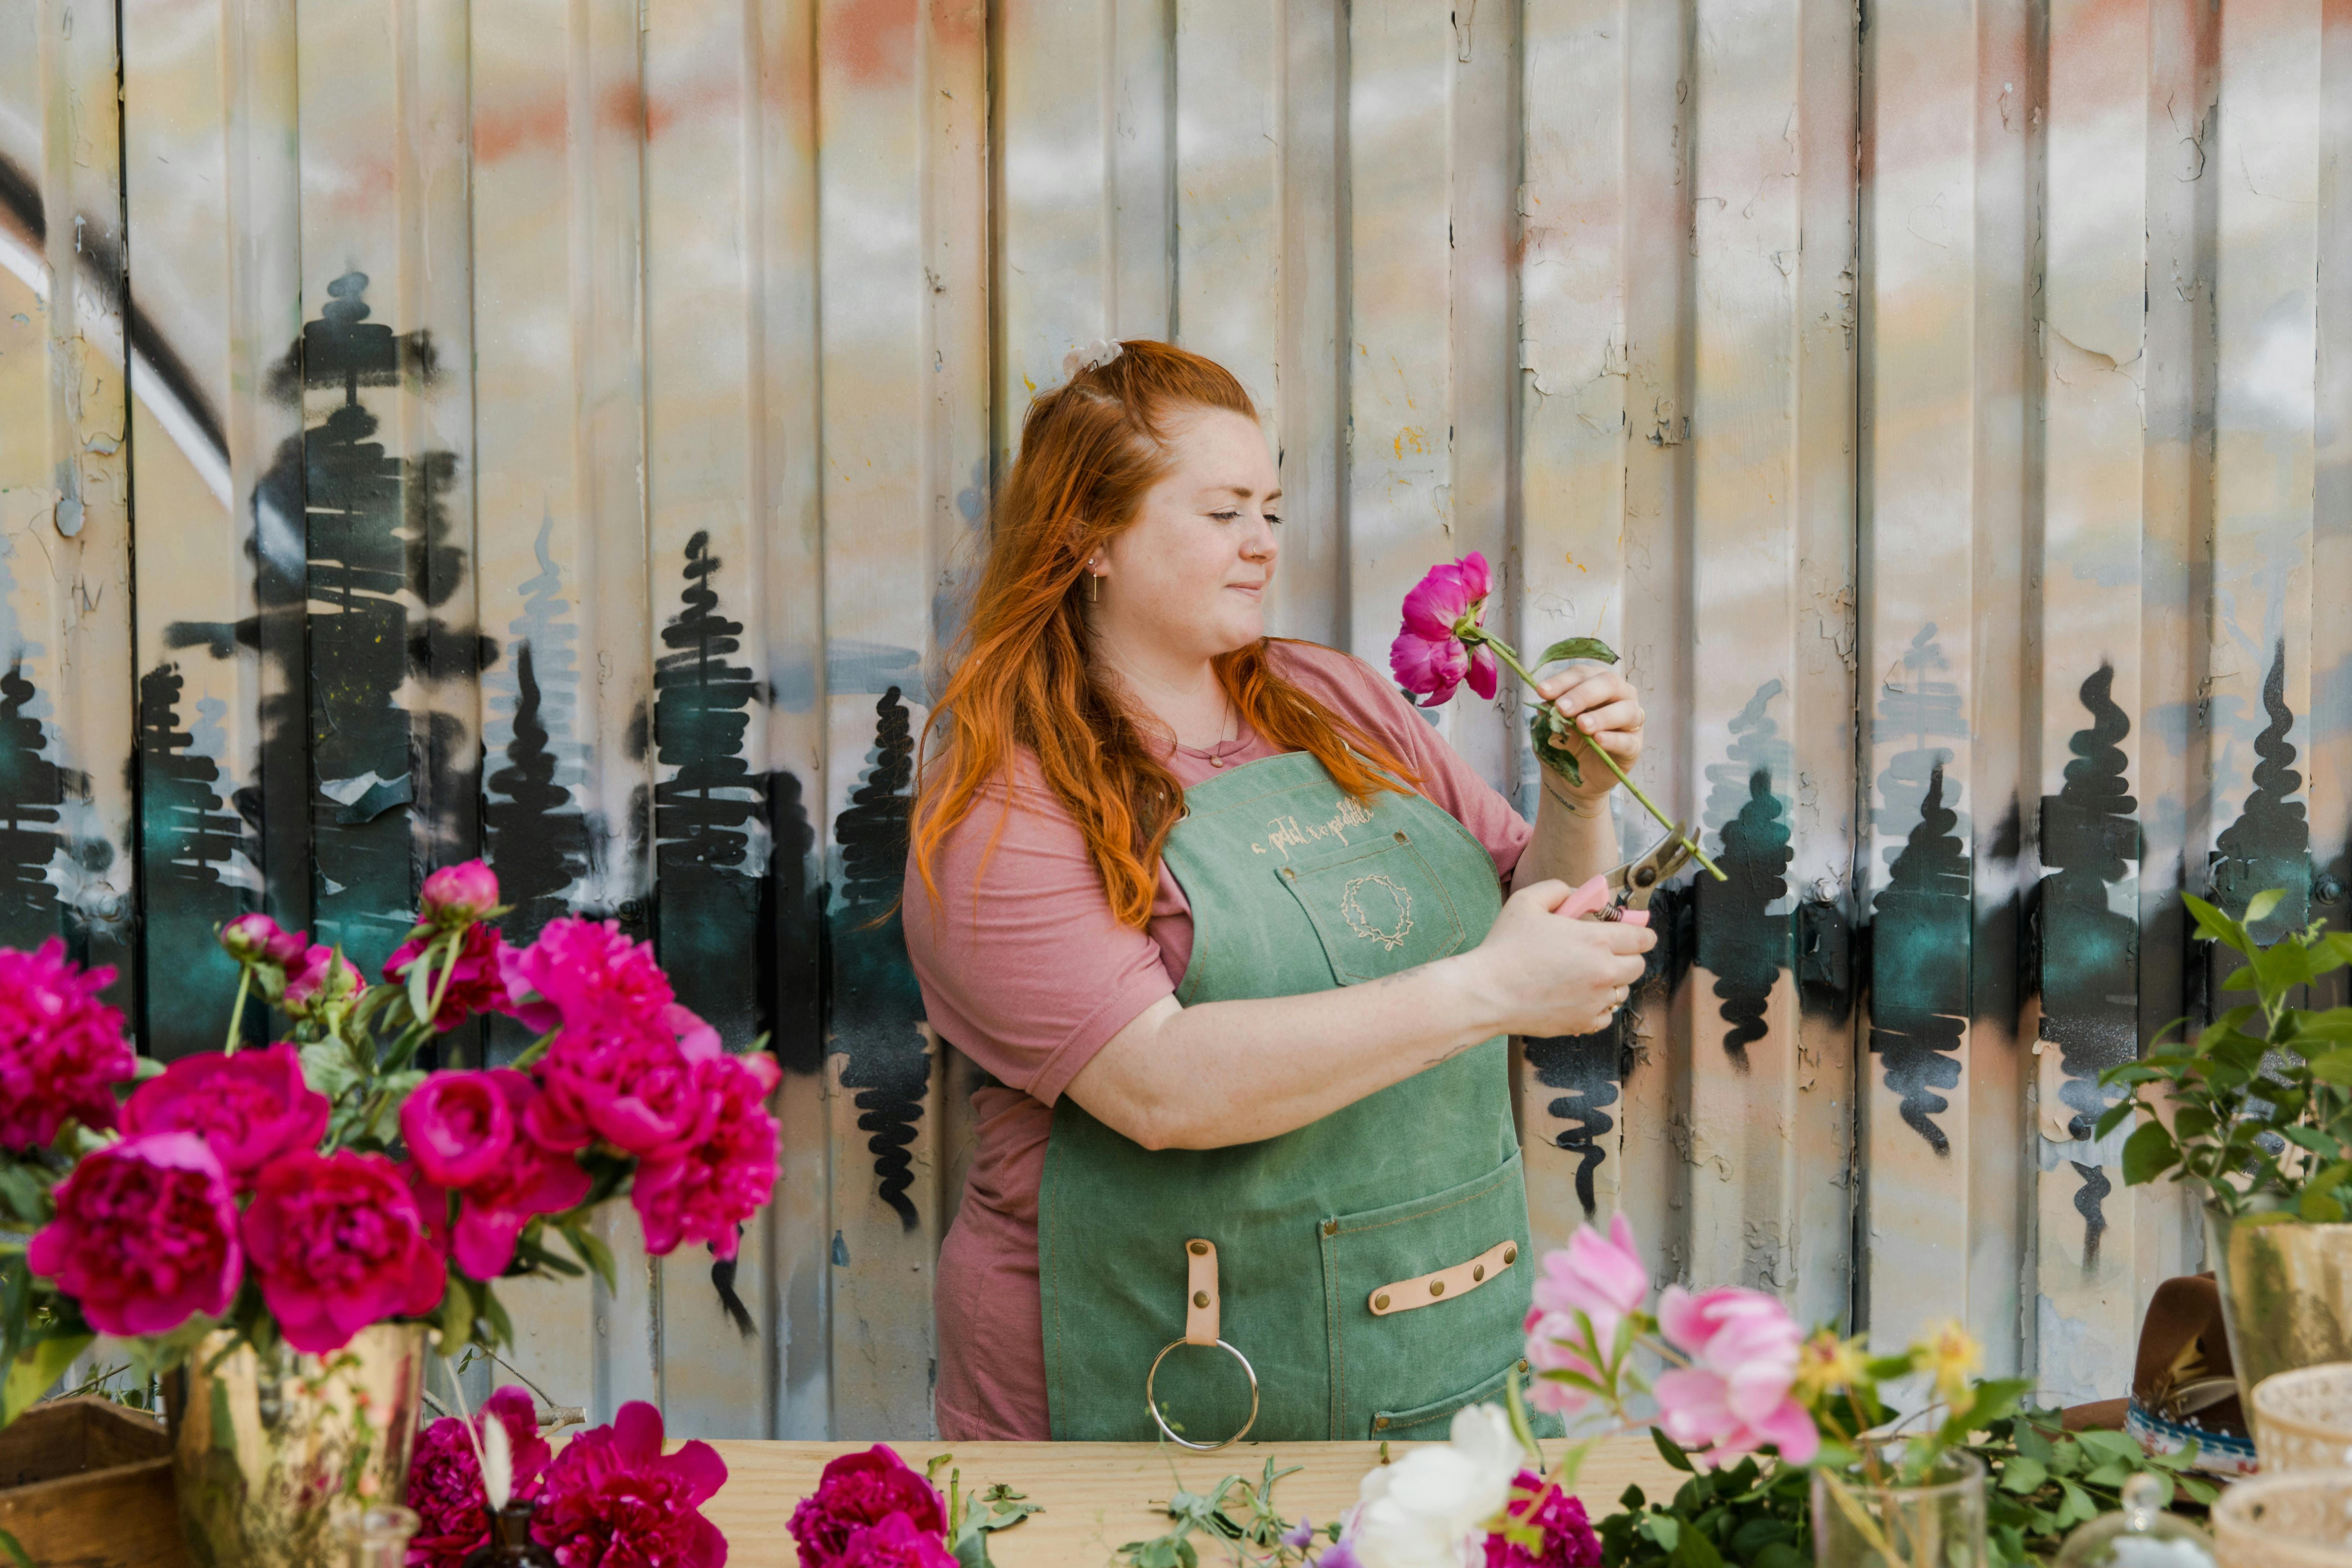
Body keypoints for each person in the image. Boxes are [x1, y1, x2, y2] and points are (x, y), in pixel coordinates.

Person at [905, 340, 1657, 1443]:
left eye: (1271, 510)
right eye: (1221, 515)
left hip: (1427, 1338)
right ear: (1088, 537)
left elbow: (1536, 906)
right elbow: (1158, 1086)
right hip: (1158, 1370)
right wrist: (1490, 993)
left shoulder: (1333, 698)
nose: (1261, 546)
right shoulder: (1003, 806)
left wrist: (1578, 794)